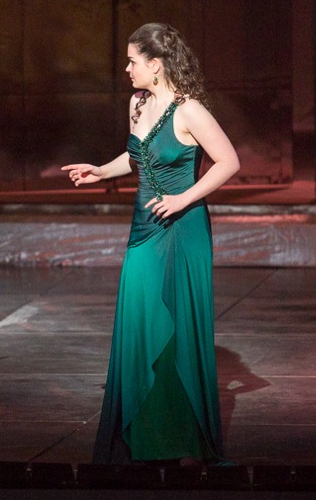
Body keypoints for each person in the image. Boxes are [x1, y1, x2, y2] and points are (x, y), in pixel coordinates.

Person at [62, 23, 239, 465]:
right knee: (138, 320)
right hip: (144, 226)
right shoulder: (138, 102)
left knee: (177, 328)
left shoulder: (189, 110)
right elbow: (137, 155)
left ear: (156, 65)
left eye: (133, 61)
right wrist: (101, 171)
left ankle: (180, 439)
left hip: (183, 229)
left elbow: (229, 161)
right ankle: (144, 438)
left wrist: (183, 198)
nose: (127, 69)